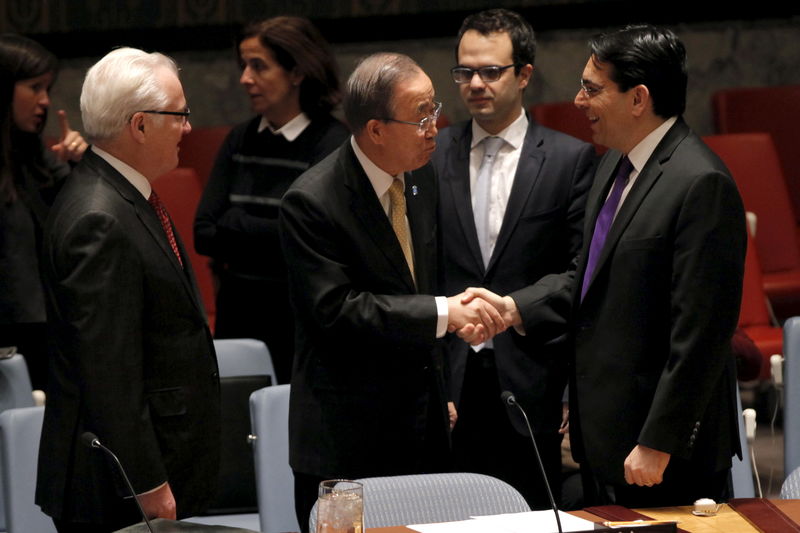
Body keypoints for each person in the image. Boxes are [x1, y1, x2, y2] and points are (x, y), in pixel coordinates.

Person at [462, 25, 746, 508]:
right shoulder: (615, 165)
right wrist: (513, 307)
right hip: (606, 438)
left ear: (638, 99)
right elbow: (587, 278)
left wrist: (660, 441)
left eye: (592, 89)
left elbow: (700, 335)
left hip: (663, 455)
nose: (577, 100)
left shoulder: (701, 183)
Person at [279, 52, 506, 531]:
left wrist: (439, 383)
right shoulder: (312, 201)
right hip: (347, 437)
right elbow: (338, 312)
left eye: (434, 111)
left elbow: (422, 282)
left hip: (422, 424)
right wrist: (446, 314)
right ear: (375, 129)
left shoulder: (421, 175)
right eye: (420, 117)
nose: (434, 127)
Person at [36, 47, 220, 532]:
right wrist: (147, 482)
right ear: (139, 125)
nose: (187, 127)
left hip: (142, 467)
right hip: (117, 487)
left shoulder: (119, 194)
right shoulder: (99, 217)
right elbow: (108, 370)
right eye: (179, 114)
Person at [433, 9, 595, 508]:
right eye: (465, 72)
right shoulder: (431, 153)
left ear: (523, 74)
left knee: (533, 512)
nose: (475, 84)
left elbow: (578, 272)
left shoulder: (571, 158)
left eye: (490, 71)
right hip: (451, 374)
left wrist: (511, 309)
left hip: (531, 371)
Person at [194, 16, 349, 384]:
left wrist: (237, 223)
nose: (245, 78)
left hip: (300, 318)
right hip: (239, 313)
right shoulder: (240, 139)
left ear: (296, 72)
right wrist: (277, 230)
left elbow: (317, 240)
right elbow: (203, 232)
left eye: (258, 66)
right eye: (243, 65)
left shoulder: (333, 144)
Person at [0, 34, 87, 390]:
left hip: (45, 326)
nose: (45, 101)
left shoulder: (35, 155)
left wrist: (78, 166)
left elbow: (78, 224)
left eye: (47, 88)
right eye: (34, 88)